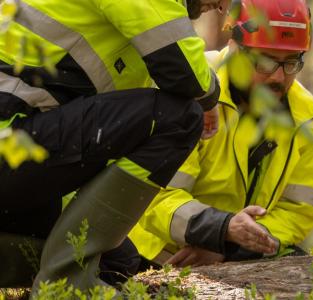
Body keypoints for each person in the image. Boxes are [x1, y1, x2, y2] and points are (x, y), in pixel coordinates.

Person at [0, 0, 229, 290]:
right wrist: (208, 96)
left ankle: (55, 282)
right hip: (11, 140)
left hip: (22, 149)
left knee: (116, 263)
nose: (218, 6)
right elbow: (186, 73)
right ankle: (66, 287)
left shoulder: (131, 39)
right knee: (177, 119)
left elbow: (84, 144)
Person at [128, 0, 313, 268]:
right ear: (234, 48)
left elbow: (300, 212)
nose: (278, 77)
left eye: (291, 62)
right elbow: (153, 198)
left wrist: (227, 242)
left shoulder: (306, 114)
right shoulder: (188, 90)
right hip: (155, 256)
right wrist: (221, 230)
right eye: (266, 62)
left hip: (235, 255)